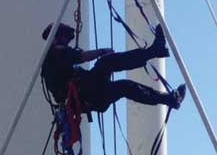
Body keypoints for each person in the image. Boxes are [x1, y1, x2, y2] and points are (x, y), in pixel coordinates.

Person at [41, 22, 186, 114]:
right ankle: (155, 51)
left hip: (91, 97)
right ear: (55, 38)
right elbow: (82, 57)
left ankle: (169, 99)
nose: (67, 42)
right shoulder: (55, 52)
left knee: (125, 86)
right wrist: (102, 51)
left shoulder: (55, 57)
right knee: (106, 63)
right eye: (65, 39)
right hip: (86, 93)